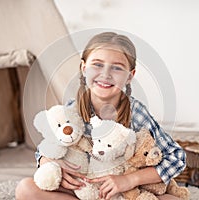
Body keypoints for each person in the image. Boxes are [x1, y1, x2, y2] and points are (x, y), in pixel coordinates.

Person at [15, 32, 186, 200]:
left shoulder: (136, 113)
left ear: (129, 76)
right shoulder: (71, 110)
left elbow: (176, 157)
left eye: (117, 68)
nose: (105, 74)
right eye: (97, 64)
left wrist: (128, 180)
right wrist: (46, 161)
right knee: (25, 189)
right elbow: (46, 147)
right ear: (84, 68)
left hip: (121, 194)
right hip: (82, 191)